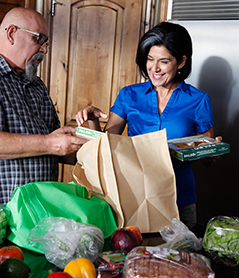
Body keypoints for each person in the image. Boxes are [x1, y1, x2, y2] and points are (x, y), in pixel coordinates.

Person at [76, 21, 221, 230]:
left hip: (180, 198)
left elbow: (205, 154)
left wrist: (212, 152)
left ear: (181, 62)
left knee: (179, 258)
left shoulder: (198, 100)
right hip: (134, 196)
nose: (154, 68)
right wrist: (93, 120)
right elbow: (106, 144)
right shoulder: (129, 95)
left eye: (164, 61)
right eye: (150, 59)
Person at [0, 7, 87, 205]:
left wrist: (88, 144)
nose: (45, 49)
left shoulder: (36, 84)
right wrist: (50, 144)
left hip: (37, 209)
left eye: (46, 42)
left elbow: (55, 142)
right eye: (38, 39)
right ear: (12, 33)